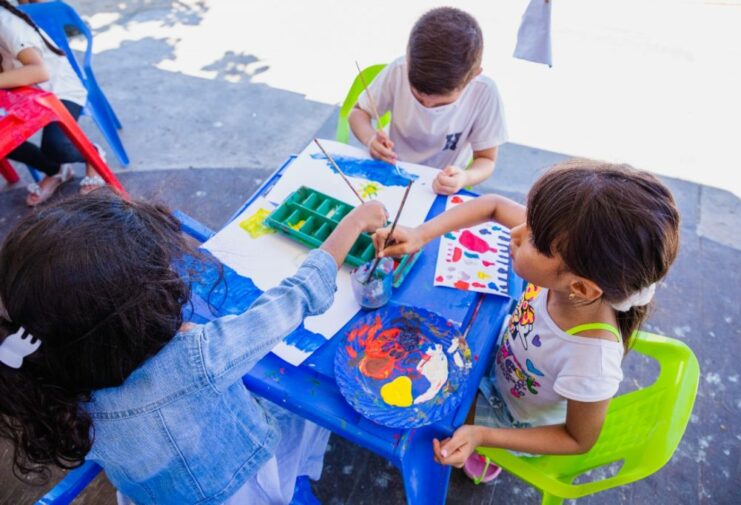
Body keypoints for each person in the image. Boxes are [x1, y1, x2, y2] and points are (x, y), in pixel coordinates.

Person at [0, 190, 388, 503]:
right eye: (164, 275)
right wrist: (353, 222)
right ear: (135, 322)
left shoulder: (41, 367)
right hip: (244, 487)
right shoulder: (196, 358)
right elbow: (297, 297)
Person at [373, 160, 680, 482]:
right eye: (529, 222)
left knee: (424, 413)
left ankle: (489, 452)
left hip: (513, 417)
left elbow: (577, 439)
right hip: (501, 359)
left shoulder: (592, 361)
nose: (516, 233)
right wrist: (420, 233)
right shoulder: (570, 252)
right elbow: (492, 206)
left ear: (580, 287)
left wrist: (482, 436)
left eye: (533, 239)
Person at [349, 7, 507, 196]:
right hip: (389, 171)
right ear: (408, 61)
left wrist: (464, 177)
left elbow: (486, 160)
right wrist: (370, 138)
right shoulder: (398, 70)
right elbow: (358, 113)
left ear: (473, 76)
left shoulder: (484, 93)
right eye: (417, 97)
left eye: (440, 104)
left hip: (437, 188)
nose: (428, 107)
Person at [0, 0, 104, 206]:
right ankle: (56, 170)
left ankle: (92, 153)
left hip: (58, 90)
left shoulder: (4, 21)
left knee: (55, 147)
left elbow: (39, 71)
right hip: (23, 97)